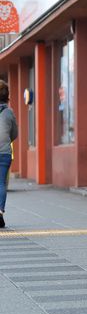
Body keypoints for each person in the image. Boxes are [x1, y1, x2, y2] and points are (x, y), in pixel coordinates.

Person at [0, 80, 18, 229]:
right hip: (5, 153)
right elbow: (14, 133)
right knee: (1, 183)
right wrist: (6, 141)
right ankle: (0, 213)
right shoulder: (9, 112)